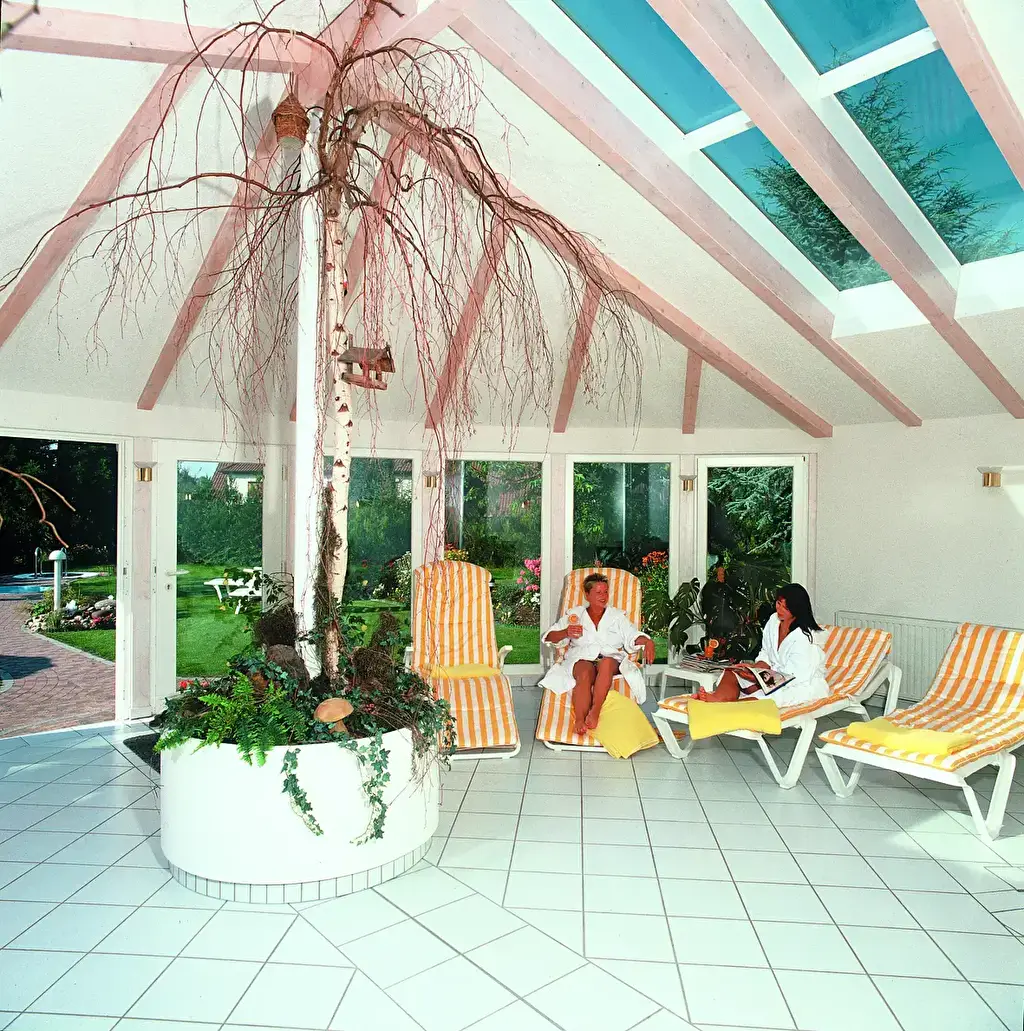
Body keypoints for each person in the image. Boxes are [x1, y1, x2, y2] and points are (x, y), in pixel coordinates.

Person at [540, 573, 656, 735]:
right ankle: (580, 719)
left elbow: (633, 635)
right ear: (587, 595)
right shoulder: (575, 616)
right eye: (598, 592)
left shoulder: (617, 617)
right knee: (584, 671)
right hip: (582, 658)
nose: (603, 596)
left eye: (606, 592)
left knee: (606, 663)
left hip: (609, 659)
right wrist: (566, 632)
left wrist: (647, 641)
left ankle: (594, 711)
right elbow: (549, 636)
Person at [696, 583, 827, 707]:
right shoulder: (774, 620)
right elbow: (766, 654)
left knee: (770, 698)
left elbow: (793, 678)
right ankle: (718, 698)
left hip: (796, 685)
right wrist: (754, 670)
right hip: (770, 677)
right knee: (732, 672)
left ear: (796, 610)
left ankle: (732, 707)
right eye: (778, 603)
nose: (779, 609)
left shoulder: (805, 638)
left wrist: (757, 679)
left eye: (786, 608)